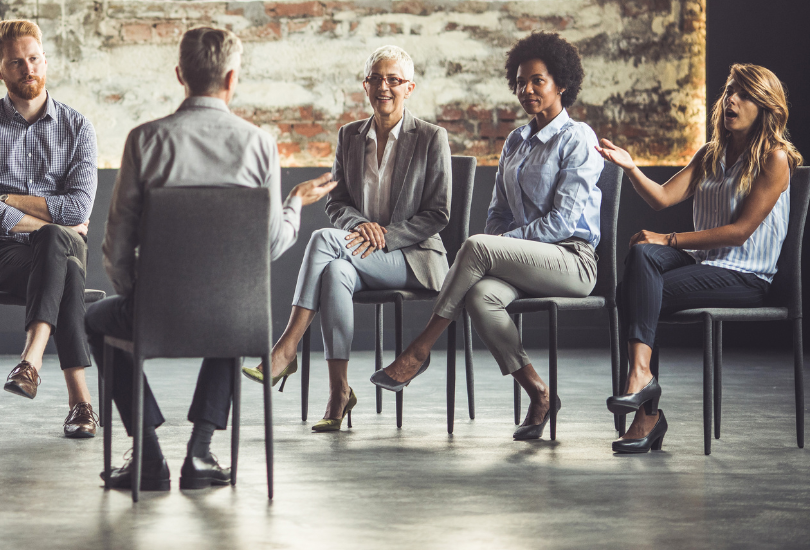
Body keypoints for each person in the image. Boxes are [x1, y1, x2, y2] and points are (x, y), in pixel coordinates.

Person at [90, 26, 338, 492]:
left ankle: (146, 452)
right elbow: (267, 248)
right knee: (236, 301)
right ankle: (201, 452)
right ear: (231, 78)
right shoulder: (258, 145)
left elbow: (117, 244)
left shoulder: (145, 140)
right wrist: (294, 205)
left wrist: (141, 300)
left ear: (180, 75)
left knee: (94, 320)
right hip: (233, 319)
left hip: (154, 311)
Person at [371, 31, 604, 441]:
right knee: (481, 295)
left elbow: (563, 223)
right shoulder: (516, 141)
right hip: (524, 262)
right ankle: (539, 392)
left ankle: (419, 349)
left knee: (479, 246)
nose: (526, 89)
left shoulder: (578, 138)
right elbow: (497, 213)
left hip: (572, 261)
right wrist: (505, 246)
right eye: (519, 82)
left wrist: (504, 247)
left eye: (537, 81)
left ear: (562, 84)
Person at [241, 45, 451, 433]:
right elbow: (338, 202)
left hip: (411, 258)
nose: (383, 86)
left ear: (410, 87)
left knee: (323, 240)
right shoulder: (349, 135)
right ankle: (340, 394)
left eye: (393, 79)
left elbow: (438, 213)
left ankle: (285, 350)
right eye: (375, 78)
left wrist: (386, 235)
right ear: (365, 85)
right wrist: (360, 226)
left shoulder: (431, 138)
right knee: (335, 271)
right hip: (359, 255)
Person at [597, 63, 800, 453]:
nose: (731, 100)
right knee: (642, 259)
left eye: (743, 95)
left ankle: (646, 413)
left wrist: (669, 239)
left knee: (637, 293)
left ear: (765, 107)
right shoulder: (711, 153)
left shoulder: (774, 159)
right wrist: (630, 167)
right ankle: (641, 380)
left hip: (747, 277)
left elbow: (741, 231)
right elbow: (662, 198)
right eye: (728, 92)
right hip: (705, 265)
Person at [0, 20, 100, 439]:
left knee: (59, 251)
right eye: (16, 62)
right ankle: (81, 405)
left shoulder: (78, 128)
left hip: (61, 249)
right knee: (65, 260)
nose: (28, 69)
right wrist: (50, 225)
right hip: (2, 256)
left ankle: (30, 361)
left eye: (34, 59)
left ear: (46, 61)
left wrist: (9, 197)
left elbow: (80, 206)